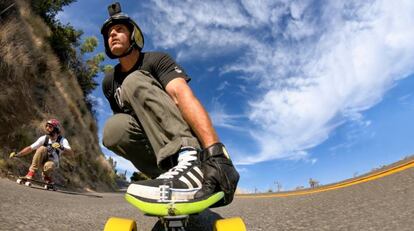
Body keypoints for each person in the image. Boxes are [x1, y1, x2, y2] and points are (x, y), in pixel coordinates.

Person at [100, 2, 239, 206]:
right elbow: (126, 124)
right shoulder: (109, 82)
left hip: (184, 141)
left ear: (134, 36)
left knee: (134, 81)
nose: (112, 35)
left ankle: (191, 162)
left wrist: (215, 150)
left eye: (119, 29)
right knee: (114, 129)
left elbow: (181, 95)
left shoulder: (156, 60)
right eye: (109, 33)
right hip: (155, 151)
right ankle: (169, 174)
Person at [9, 119, 74, 184]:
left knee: (49, 166)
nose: (47, 128)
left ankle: (46, 176)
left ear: (56, 129)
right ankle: (30, 173)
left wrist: (61, 147)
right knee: (42, 148)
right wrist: (18, 154)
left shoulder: (62, 140)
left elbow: (71, 153)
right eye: (47, 126)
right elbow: (30, 148)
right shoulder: (44, 138)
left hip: (52, 162)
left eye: (50, 127)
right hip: (40, 160)